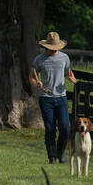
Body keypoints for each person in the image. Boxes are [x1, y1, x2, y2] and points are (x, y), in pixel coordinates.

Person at [28, 31, 78, 164]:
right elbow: (32, 77)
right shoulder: (39, 59)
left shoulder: (64, 58)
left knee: (65, 128)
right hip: (46, 98)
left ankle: (61, 154)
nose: (53, 51)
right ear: (46, 47)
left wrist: (73, 79)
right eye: (51, 48)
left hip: (61, 98)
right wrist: (37, 84)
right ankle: (52, 157)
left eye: (55, 48)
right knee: (50, 129)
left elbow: (68, 73)